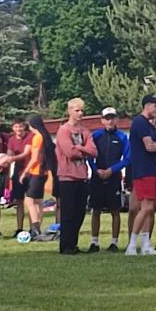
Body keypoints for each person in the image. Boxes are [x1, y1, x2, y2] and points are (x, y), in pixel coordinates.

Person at [54, 98, 97, 255]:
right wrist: (83, 149)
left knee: (79, 213)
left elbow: (94, 151)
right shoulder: (63, 130)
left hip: (82, 176)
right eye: (77, 110)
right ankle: (66, 246)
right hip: (67, 177)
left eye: (82, 110)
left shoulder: (85, 131)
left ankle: (73, 244)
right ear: (69, 111)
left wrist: (80, 147)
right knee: (68, 213)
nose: (80, 113)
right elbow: (69, 152)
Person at [127, 94, 156, 256]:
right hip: (144, 171)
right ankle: (132, 245)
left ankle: (146, 244)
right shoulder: (140, 122)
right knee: (146, 207)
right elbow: (150, 146)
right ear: (147, 105)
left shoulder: (149, 125)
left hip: (153, 170)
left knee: (151, 208)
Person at [88, 108, 129, 252]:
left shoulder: (122, 137)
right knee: (96, 209)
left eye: (112, 118)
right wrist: (95, 169)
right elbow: (89, 155)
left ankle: (114, 242)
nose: (110, 121)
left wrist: (112, 170)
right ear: (102, 120)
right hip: (97, 177)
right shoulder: (96, 136)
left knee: (115, 210)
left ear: (116, 119)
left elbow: (127, 158)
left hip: (114, 177)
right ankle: (94, 242)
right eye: (107, 118)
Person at [21, 115, 57, 243]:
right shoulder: (45, 137)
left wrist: (25, 172)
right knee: (38, 201)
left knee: (29, 200)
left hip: (37, 172)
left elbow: (35, 158)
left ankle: (35, 228)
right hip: (44, 173)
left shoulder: (37, 137)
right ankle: (36, 227)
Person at [4, 120, 32, 236]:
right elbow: (9, 153)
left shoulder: (30, 137)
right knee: (19, 201)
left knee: (30, 201)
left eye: (20, 127)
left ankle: (33, 228)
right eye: (16, 127)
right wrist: (5, 160)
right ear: (13, 128)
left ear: (24, 127)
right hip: (18, 172)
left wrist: (12, 159)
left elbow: (26, 153)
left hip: (30, 172)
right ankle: (19, 228)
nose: (18, 129)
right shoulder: (11, 140)